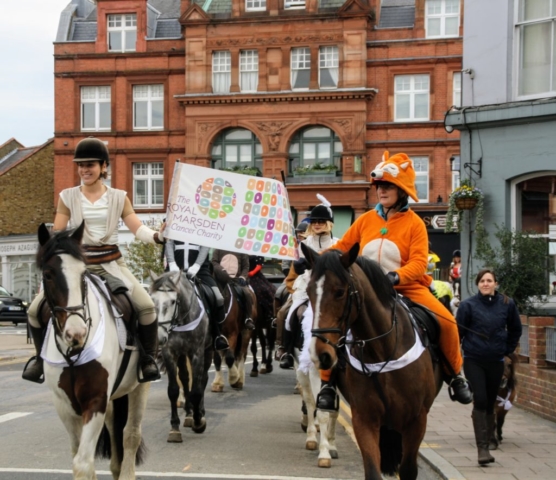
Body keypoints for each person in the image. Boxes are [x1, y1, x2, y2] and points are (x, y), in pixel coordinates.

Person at [315, 151, 473, 410]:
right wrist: (311, 259)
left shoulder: (415, 224)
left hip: (407, 288)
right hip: (367, 293)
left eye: (388, 186)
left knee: (446, 322)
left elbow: (420, 263)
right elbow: (342, 247)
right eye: (379, 186)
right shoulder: (365, 219)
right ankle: (328, 386)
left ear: (401, 190)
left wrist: (396, 276)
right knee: (335, 327)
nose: (381, 191)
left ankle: (455, 376)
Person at [23, 137, 164, 383]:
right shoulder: (67, 197)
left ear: (103, 166)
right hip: (76, 267)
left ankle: (147, 360)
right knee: (35, 311)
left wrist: (158, 236)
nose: (84, 170)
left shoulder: (120, 197)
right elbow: (58, 235)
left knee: (146, 307)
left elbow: (138, 229)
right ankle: (39, 360)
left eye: (90, 164)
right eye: (81, 165)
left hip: (111, 263)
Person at [456, 268, 522, 465]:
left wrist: (506, 349)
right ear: (478, 284)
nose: (485, 284)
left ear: (496, 284)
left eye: (489, 281)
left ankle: (492, 438)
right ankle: (482, 449)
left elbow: (516, 329)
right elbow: (458, 332)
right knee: (481, 399)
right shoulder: (468, 305)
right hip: (473, 359)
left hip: (496, 360)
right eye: (482, 281)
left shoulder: (507, 304)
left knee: (492, 399)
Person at [280, 195, 338, 370]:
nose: (317, 224)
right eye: (314, 221)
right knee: (286, 314)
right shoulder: (303, 245)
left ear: (329, 223)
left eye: (321, 221)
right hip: (306, 288)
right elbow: (294, 273)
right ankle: (286, 351)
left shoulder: (338, 244)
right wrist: (298, 266)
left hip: (330, 291)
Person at [164, 238, 229, 351]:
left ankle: (217, 334)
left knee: (218, 298)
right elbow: (168, 242)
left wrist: (197, 266)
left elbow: (205, 245)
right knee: (159, 298)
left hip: (200, 272)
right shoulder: (172, 221)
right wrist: (172, 263)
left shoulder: (201, 223)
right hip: (174, 271)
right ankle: (159, 336)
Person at [211, 249, 255, 330]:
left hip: (236, 280)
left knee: (247, 293)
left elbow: (245, 266)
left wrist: (243, 277)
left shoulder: (241, 249)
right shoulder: (218, 248)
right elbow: (214, 262)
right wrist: (221, 271)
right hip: (220, 280)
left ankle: (248, 318)